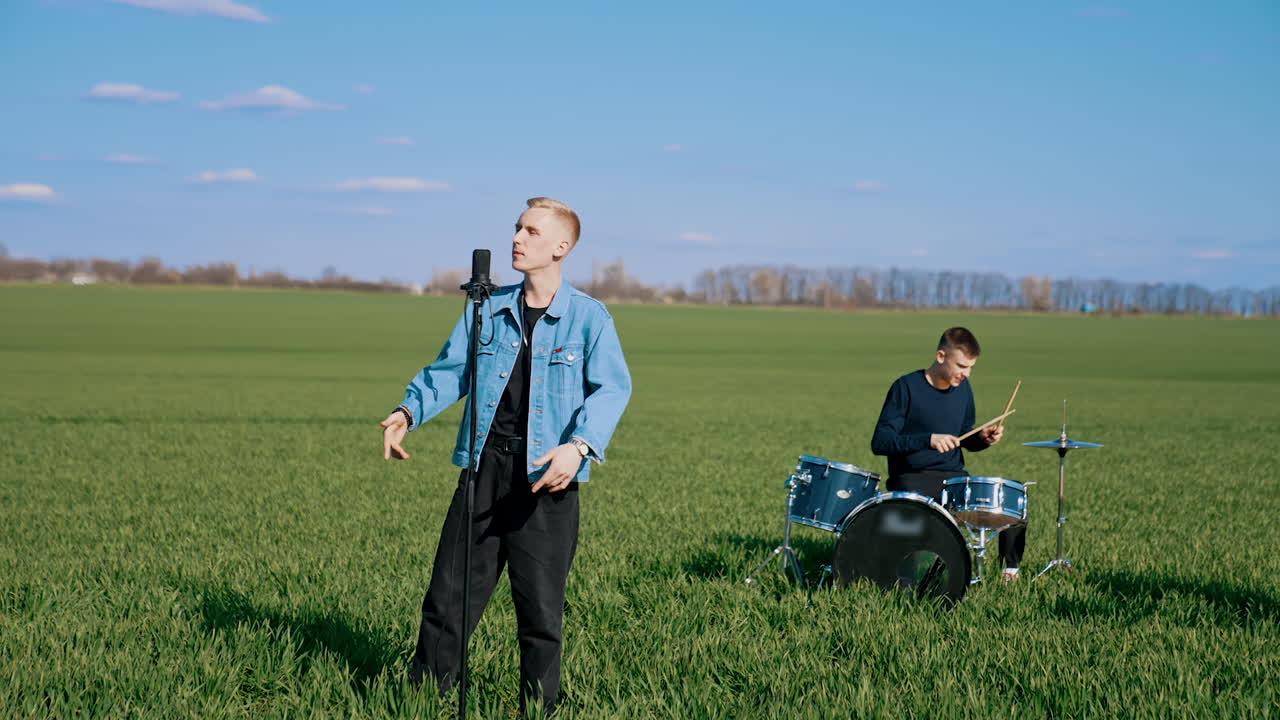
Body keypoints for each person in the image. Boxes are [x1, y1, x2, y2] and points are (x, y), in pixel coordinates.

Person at [379, 197, 632, 714]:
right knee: (448, 601)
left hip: (546, 479)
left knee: (540, 613)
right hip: (483, 472)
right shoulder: (487, 308)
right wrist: (408, 411)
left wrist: (578, 447)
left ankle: (538, 709)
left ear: (561, 247)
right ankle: (424, 703)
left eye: (531, 232)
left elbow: (611, 390)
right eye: (517, 229)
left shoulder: (588, 319)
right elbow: (451, 371)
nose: (517, 239)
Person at [869, 327, 1025, 579]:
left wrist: (982, 438)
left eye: (971, 367)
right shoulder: (906, 387)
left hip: (954, 480)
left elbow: (964, 434)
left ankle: (1010, 572)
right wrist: (928, 440)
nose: (966, 374)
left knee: (1012, 496)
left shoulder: (963, 389)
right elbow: (881, 442)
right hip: (912, 479)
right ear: (941, 356)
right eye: (962, 366)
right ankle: (916, 572)